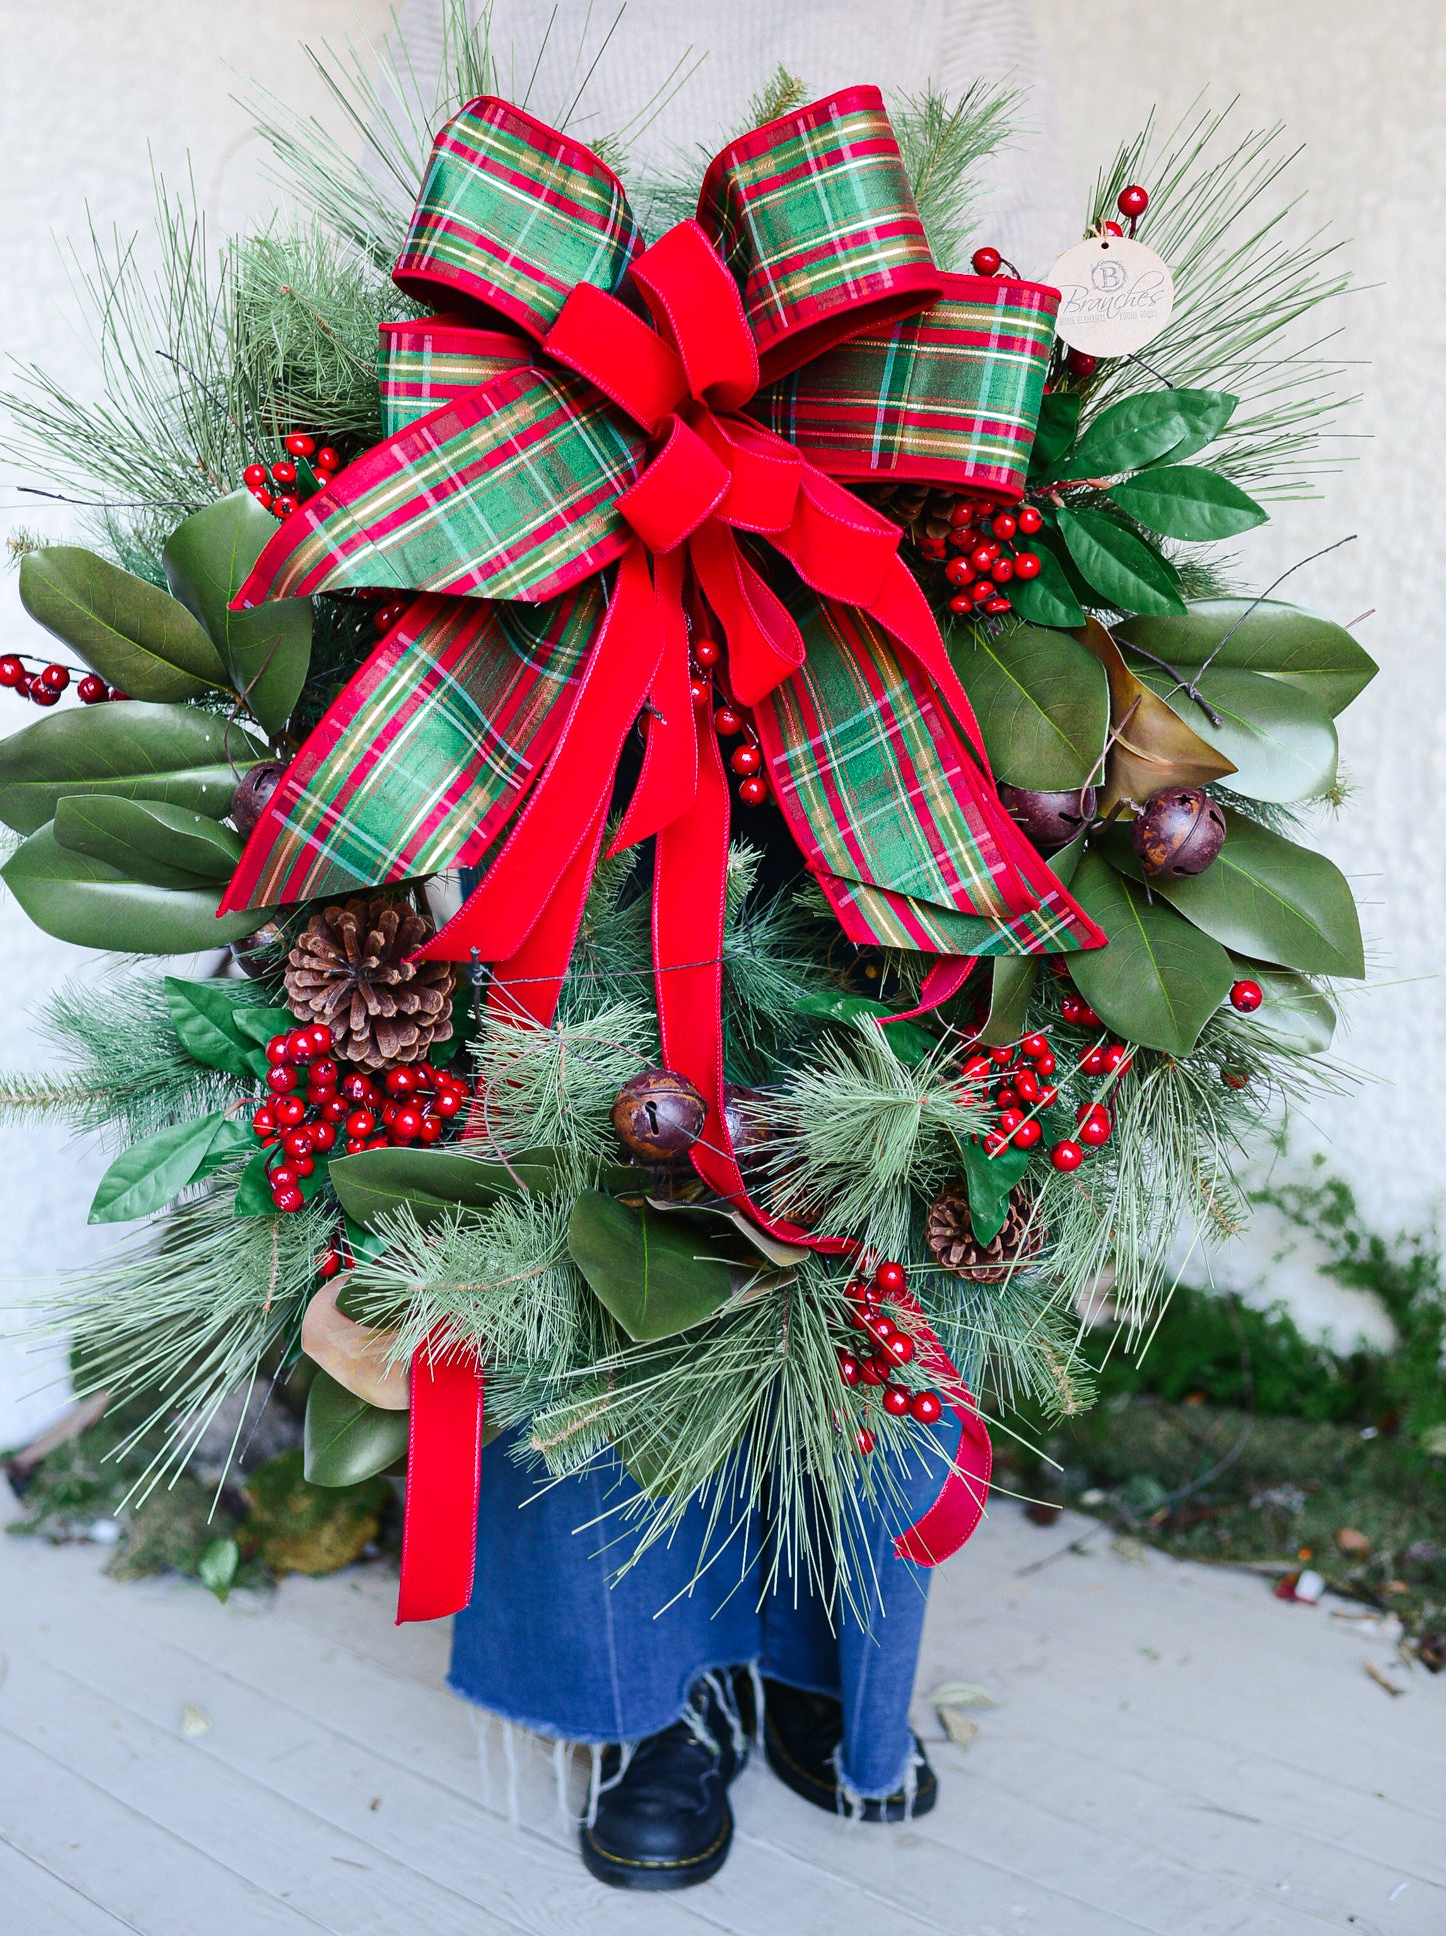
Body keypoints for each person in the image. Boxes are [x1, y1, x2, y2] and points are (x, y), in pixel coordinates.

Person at [391, 0, 1074, 1890]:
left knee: (874, 1179)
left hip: (832, 618)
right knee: (578, 1221)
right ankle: (654, 1688)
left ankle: (829, 1671)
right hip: (579, 677)